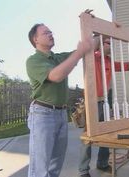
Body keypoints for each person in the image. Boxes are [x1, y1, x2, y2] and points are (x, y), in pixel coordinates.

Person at [26, 23, 97, 177]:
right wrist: (78, 53)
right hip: (42, 114)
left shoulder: (58, 58)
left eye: (51, 31)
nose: (51, 34)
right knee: (40, 168)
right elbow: (56, 76)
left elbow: (88, 47)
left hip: (61, 114)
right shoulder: (33, 61)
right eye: (46, 33)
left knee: (55, 166)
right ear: (35, 39)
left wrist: (94, 27)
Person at [78, 36, 129, 177]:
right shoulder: (91, 57)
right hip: (91, 102)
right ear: (100, 45)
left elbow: (128, 65)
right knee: (88, 137)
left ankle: (102, 164)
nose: (110, 46)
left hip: (104, 101)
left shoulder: (108, 61)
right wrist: (98, 35)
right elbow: (91, 47)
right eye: (107, 43)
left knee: (106, 133)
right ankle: (83, 171)